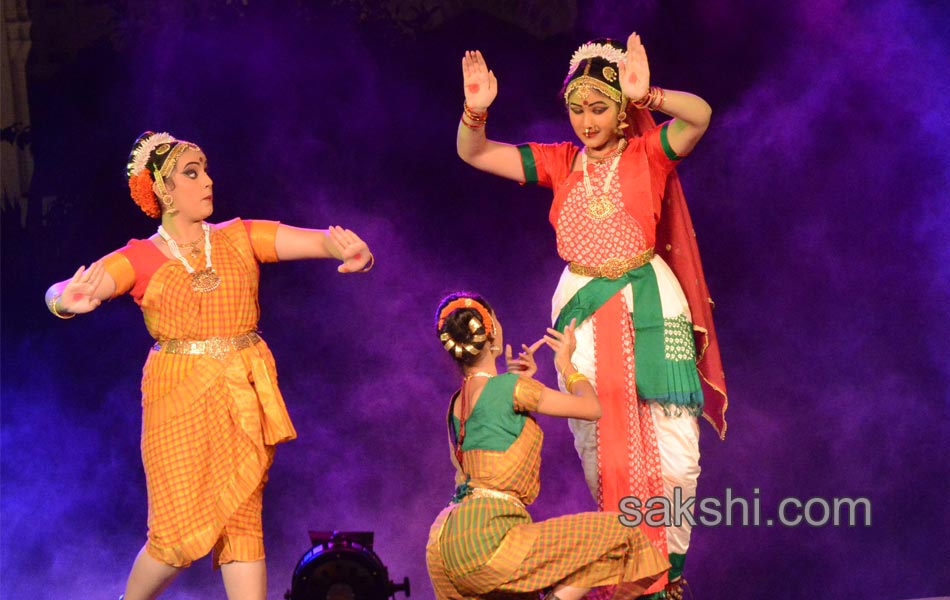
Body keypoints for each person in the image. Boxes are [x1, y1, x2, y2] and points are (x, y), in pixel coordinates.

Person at [44, 131, 374, 600]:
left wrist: (344, 249)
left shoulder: (238, 236)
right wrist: (65, 300)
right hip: (178, 398)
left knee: (241, 523)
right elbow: (66, 290)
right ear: (162, 190)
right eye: (191, 173)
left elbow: (316, 242)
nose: (207, 182)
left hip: (240, 390)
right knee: (173, 536)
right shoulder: (140, 256)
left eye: (206, 170)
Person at [456, 33, 728, 599]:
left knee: (677, 454)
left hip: (650, 303)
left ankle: (668, 579)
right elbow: (474, 153)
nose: (586, 120)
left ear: (622, 109)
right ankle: (625, 576)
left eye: (600, 107)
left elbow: (699, 115)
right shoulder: (560, 163)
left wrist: (648, 93)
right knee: (599, 447)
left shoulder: (647, 154)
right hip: (581, 311)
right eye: (577, 109)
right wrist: (475, 111)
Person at [426, 292, 669, 600]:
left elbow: (474, 457)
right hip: (489, 537)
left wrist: (517, 382)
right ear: (492, 335)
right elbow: (591, 408)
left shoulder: (456, 405)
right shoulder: (511, 388)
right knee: (623, 534)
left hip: (446, 542)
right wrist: (566, 364)